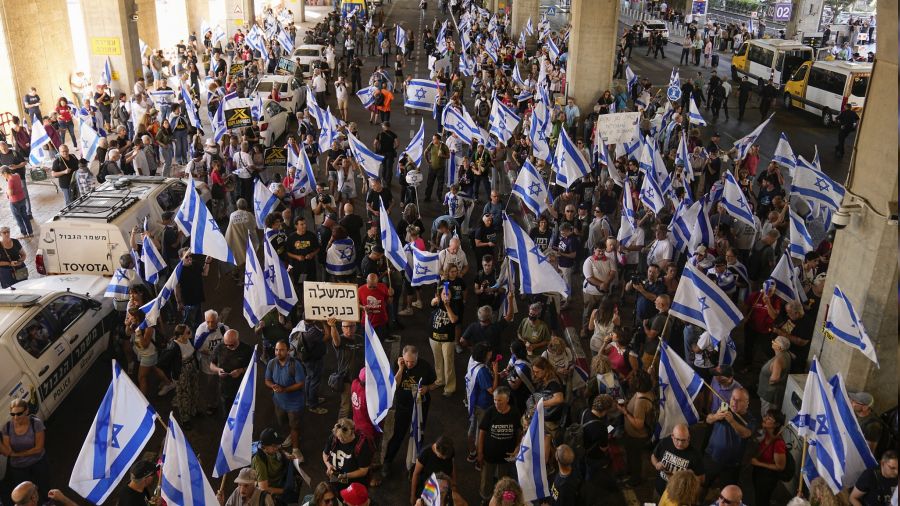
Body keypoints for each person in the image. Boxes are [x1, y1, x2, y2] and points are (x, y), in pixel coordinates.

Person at [382, 345, 438, 478]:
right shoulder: (399, 365)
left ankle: (414, 466)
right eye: (407, 361)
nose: (409, 364)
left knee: (418, 435)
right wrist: (401, 369)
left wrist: (427, 388)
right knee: (398, 435)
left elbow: (436, 383)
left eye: (412, 362)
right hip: (403, 407)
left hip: (420, 407)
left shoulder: (425, 366)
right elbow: (394, 385)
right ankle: (387, 461)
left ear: (417, 357)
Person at [702, 387, 756, 496]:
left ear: (747, 403)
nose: (734, 402)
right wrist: (716, 416)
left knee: (727, 493)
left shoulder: (750, 419)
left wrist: (732, 421)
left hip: (731, 464)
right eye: (733, 398)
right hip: (712, 457)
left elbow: (745, 434)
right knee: (703, 485)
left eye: (739, 400)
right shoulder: (724, 408)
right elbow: (708, 419)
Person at [476, 386, 521, 501]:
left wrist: (517, 446)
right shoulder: (490, 411)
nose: (496, 403)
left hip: (506, 456)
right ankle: (485, 498)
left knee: (504, 482)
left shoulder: (515, 413)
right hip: (489, 455)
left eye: (499, 400)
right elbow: (482, 432)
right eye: (495, 400)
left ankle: (500, 500)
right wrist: (480, 452)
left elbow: (518, 432)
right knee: (486, 479)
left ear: (507, 399)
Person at [265, 339, 307, 462]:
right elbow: (267, 380)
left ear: (288, 351)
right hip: (279, 402)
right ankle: (291, 436)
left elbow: (301, 383)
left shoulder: (295, 365)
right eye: (277, 350)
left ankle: (296, 449)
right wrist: (273, 386)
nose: (278, 352)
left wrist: (285, 389)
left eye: (282, 350)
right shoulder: (272, 363)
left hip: (294, 404)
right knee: (282, 423)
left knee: (294, 426)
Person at [1, 398, 48, 496]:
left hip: (37, 463)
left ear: (26, 411)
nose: (16, 417)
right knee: (26, 495)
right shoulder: (7, 427)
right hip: (19, 469)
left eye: (19, 414)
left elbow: (39, 448)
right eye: (13, 414)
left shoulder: (36, 423)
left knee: (44, 488)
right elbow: (7, 452)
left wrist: (18, 454)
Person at [618, 370, 655, 487]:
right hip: (631, 435)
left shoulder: (641, 403)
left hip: (637, 436)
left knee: (635, 459)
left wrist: (625, 412)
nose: (629, 381)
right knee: (631, 456)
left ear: (637, 385)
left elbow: (639, 425)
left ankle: (635, 480)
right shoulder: (646, 391)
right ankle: (629, 472)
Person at [651, 423, 705, 497]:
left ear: (688, 438)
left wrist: (688, 478)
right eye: (677, 439)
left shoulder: (695, 455)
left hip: (678, 496)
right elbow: (653, 456)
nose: (679, 444)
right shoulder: (665, 442)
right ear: (672, 436)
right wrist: (656, 464)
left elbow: (702, 479)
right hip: (659, 490)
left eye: (683, 440)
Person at [323, 418, 373, 495]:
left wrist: (345, 476)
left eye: (343, 439)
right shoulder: (334, 437)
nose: (339, 440)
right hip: (335, 480)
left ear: (352, 433)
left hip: (352, 484)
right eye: (338, 437)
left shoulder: (362, 446)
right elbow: (325, 454)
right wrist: (328, 465)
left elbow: (363, 471)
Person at [211, 329, 253, 416]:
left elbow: (252, 367)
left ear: (237, 340)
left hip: (242, 387)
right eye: (226, 345)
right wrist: (218, 370)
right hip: (225, 388)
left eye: (231, 345)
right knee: (228, 413)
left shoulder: (247, 349)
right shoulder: (219, 347)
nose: (228, 347)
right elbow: (212, 365)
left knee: (242, 412)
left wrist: (241, 370)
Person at [750, 409, 787, 506]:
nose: (765, 418)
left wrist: (758, 463)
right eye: (766, 415)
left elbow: (780, 467)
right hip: (758, 472)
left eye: (769, 418)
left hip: (767, 477)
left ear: (776, 425)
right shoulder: (764, 434)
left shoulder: (778, 443)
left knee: (761, 501)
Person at [252, 427, 299, 503]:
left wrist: (286, 454)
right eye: (274, 445)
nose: (277, 447)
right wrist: (284, 491)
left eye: (278, 444)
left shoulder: (274, 450)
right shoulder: (260, 461)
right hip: (273, 488)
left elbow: (280, 450)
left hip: (280, 479)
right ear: (264, 447)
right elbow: (264, 488)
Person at [170, 323, 201, 430]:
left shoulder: (188, 340)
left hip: (192, 366)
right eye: (188, 332)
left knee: (194, 389)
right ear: (181, 335)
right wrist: (174, 372)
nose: (190, 333)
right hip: (182, 370)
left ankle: (193, 411)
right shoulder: (174, 345)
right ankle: (185, 419)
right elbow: (163, 360)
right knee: (184, 394)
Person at [410, 436, 457, 504]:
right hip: (428, 491)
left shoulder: (449, 452)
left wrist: (454, 484)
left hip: (443, 489)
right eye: (442, 456)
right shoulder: (425, 454)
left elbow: (452, 467)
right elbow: (416, 474)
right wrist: (413, 495)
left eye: (446, 457)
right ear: (437, 449)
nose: (445, 458)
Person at [757, 336, 791, 417]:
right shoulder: (786, 354)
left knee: (767, 414)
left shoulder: (778, 360)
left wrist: (768, 382)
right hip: (776, 392)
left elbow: (775, 378)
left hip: (770, 394)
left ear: (779, 347)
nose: (772, 342)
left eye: (774, 342)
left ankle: (766, 428)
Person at [2, 168, 32, 240]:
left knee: (18, 218)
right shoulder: (17, 175)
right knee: (25, 216)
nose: (3, 176)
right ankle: (30, 232)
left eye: (2, 175)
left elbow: (11, 193)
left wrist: (7, 192)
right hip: (22, 198)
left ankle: (24, 234)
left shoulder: (10, 180)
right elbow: (21, 186)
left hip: (15, 201)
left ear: (5, 173)